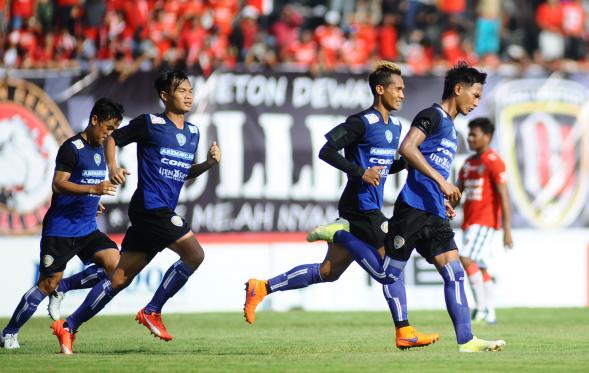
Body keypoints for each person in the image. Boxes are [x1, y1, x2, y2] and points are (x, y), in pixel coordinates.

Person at [307, 62, 506, 352]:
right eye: (475, 95)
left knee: (455, 273)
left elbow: (417, 162)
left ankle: (467, 340)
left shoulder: (451, 127)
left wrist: (440, 199)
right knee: (389, 275)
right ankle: (342, 235)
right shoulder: (432, 116)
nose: (477, 102)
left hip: (433, 211)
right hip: (412, 210)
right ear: (458, 89)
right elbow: (408, 149)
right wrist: (443, 184)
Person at [244, 61, 439, 350]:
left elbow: (384, 166)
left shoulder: (395, 126)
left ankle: (261, 287)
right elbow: (326, 150)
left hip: (364, 207)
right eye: (398, 89)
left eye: (404, 89)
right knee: (391, 267)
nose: (402, 94)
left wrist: (409, 163)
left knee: (328, 272)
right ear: (380, 89)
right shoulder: (360, 122)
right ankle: (404, 330)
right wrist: (360, 173)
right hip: (359, 207)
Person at [50, 70, 221, 355]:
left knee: (119, 278)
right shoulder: (150, 124)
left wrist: (207, 165)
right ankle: (152, 310)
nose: (189, 95)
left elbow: (181, 173)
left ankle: (68, 326)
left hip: (159, 211)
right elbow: (113, 138)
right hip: (150, 208)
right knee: (195, 254)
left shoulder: (192, 133)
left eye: (191, 90)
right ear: (165, 96)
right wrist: (113, 167)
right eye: (182, 90)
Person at [1, 98, 125, 349]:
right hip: (61, 229)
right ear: (94, 120)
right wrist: (94, 189)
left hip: (87, 227)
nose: (109, 134)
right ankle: (9, 332)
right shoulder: (72, 148)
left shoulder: (101, 149)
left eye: (114, 129)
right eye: (108, 128)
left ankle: (65, 287)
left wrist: (93, 202)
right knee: (47, 284)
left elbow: (86, 182)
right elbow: (58, 184)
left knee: (118, 267)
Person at [456, 117, 513, 325]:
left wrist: (506, 229)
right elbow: (458, 192)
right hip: (469, 222)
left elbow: (504, 197)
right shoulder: (468, 163)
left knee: (466, 258)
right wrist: (448, 210)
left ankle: (479, 309)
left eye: (474, 134)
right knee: (480, 266)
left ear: (487, 137)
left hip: (485, 221)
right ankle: (490, 311)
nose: (470, 138)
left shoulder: (494, 161)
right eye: (469, 134)